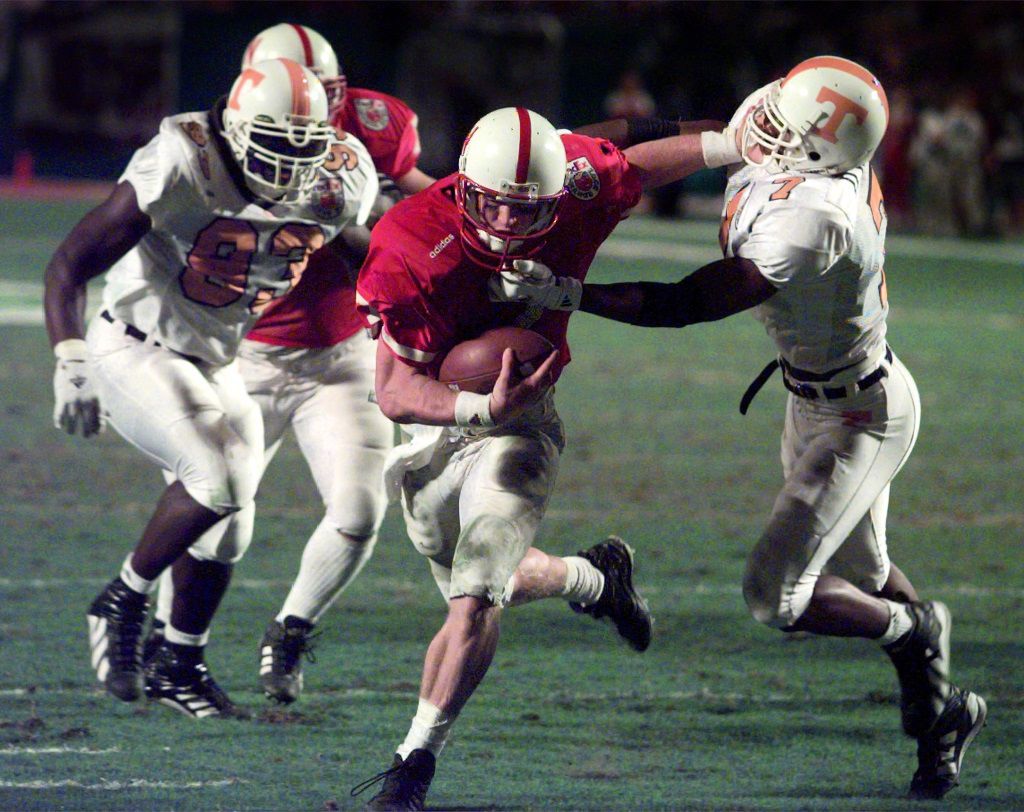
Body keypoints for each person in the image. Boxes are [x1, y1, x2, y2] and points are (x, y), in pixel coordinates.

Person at [494, 57, 987, 801]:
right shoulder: (804, 143)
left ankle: (915, 633)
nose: (766, 126)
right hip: (814, 396)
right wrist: (560, 152)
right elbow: (657, 138)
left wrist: (569, 294)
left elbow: (689, 301)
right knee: (866, 569)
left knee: (775, 598)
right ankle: (941, 708)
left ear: (821, 150)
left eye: (788, 125)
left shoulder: (819, 216)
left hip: (860, 415)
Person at [349, 106, 741, 810]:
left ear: (557, 196)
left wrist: (731, 145)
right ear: (464, 184)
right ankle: (595, 579)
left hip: (523, 424)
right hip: (442, 421)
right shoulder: (409, 238)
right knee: (472, 574)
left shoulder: (579, 187)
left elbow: (639, 163)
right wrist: (477, 408)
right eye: (492, 201)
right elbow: (393, 389)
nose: (503, 220)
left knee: (475, 592)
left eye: (524, 207)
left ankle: (413, 765)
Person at [45, 57, 379, 718]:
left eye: (302, 150)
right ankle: (124, 596)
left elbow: (362, 249)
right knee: (218, 478)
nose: (289, 167)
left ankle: (179, 662)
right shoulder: (184, 161)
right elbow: (70, 263)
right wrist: (72, 360)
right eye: (275, 146)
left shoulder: (341, 177)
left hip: (217, 358)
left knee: (230, 528)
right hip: (134, 343)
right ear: (238, 127)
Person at [144, 21, 437, 708]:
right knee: (208, 510)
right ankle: (169, 644)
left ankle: (292, 627)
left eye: (325, 93)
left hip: (340, 353)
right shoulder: (206, 150)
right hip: (234, 356)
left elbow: (420, 202)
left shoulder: (370, 127)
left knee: (361, 508)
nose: (312, 108)